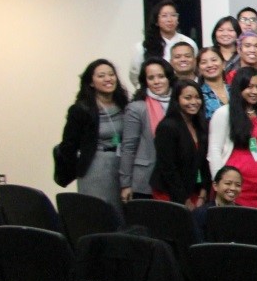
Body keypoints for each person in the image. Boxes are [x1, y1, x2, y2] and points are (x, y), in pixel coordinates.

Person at [54, 59, 130, 201]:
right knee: (99, 213)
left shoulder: (124, 105)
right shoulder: (81, 109)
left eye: (111, 74)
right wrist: (78, 166)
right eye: (101, 76)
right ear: (91, 82)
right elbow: (68, 146)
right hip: (95, 169)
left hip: (122, 168)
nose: (108, 79)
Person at [207, 69, 257, 208]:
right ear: (239, 88)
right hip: (232, 186)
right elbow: (214, 151)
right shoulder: (224, 113)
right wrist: (220, 184)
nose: (255, 91)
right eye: (249, 87)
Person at [118, 59, 174, 201]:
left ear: (169, 78)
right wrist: (125, 184)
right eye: (151, 78)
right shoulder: (137, 108)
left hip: (174, 180)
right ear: (145, 81)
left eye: (161, 76)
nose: (157, 81)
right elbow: (128, 148)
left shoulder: (180, 103)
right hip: (145, 180)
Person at [150, 79, 210, 206]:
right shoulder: (167, 127)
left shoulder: (199, 125)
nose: (194, 102)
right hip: (169, 193)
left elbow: (204, 162)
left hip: (194, 190)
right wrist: (184, 200)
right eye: (188, 98)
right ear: (177, 100)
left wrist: (203, 194)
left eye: (197, 97)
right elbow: (168, 168)